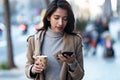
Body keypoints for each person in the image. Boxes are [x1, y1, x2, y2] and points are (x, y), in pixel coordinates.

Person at [25, 0, 84, 80]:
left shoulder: (75, 41)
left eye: (65, 19)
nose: (60, 23)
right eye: (56, 18)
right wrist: (33, 69)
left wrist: (72, 63)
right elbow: (27, 68)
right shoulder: (34, 40)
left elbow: (79, 76)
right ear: (48, 17)